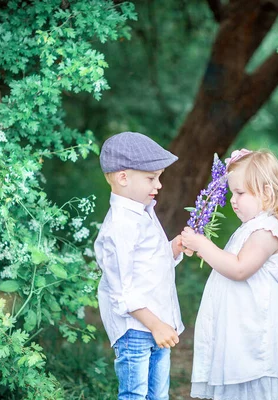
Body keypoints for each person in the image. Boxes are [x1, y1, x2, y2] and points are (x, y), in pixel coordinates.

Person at [181, 149, 278, 400]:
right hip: (241, 332)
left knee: (254, 387)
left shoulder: (266, 230)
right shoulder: (250, 228)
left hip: (257, 338)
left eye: (240, 193)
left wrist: (203, 245)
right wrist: (204, 252)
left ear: (266, 193)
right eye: (232, 192)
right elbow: (228, 263)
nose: (233, 200)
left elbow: (239, 268)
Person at [94, 131, 190, 400]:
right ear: (124, 177)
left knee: (158, 394)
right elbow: (123, 291)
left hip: (159, 321)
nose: (158, 185)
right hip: (137, 328)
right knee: (134, 394)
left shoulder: (143, 211)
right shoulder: (121, 226)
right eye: (151, 178)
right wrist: (156, 325)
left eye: (158, 177)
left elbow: (150, 262)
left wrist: (175, 247)